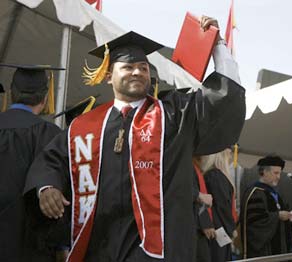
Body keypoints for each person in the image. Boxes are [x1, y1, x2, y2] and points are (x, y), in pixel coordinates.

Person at [24, 15, 245, 262]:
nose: (137, 72)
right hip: (99, 248)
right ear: (108, 75)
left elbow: (223, 98)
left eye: (143, 67)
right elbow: (51, 160)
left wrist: (217, 45)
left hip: (158, 252)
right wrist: (47, 187)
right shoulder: (84, 127)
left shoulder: (173, 116)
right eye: (128, 67)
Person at [0, 64, 63, 260]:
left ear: (11, 93)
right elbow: (58, 199)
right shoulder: (50, 135)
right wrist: (61, 245)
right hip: (28, 249)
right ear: (45, 98)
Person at [240, 155, 292, 259]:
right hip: (263, 254)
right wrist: (278, 216)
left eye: (279, 173)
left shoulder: (275, 195)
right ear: (264, 172)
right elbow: (255, 222)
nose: (279, 177)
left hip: (279, 253)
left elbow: (280, 220)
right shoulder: (255, 193)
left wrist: (289, 218)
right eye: (276, 173)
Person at [201, 148, 238, 262]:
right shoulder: (215, 175)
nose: (230, 156)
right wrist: (231, 229)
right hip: (218, 230)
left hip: (217, 229)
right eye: (228, 153)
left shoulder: (211, 174)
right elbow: (222, 206)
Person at [192, 156, 214, 262]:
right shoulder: (189, 166)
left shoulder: (196, 168)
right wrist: (205, 223)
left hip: (197, 225)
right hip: (195, 227)